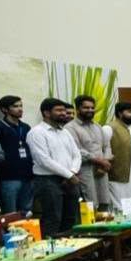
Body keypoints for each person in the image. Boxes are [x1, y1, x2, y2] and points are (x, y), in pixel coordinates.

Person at [27, 98, 82, 238]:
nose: (64, 113)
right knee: (53, 218)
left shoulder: (64, 132)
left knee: (71, 217)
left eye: (64, 110)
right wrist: (69, 175)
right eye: (59, 110)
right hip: (48, 181)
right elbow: (43, 160)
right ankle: (50, 249)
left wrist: (72, 172)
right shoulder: (36, 132)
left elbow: (77, 155)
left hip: (70, 180)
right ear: (46, 113)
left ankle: (69, 247)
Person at [65, 95, 112, 207]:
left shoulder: (97, 126)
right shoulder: (69, 128)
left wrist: (105, 162)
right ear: (77, 109)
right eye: (86, 108)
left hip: (101, 170)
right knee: (90, 203)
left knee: (104, 201)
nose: (90, 110)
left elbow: (106, 146)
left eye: (92, 108)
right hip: (84, 170)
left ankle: (103, 219)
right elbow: (76, 150)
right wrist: (99, 161)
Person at [0, 95, 34, 215]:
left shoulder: (25, 127)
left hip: (28, 175)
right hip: (8, 177)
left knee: (27, 211)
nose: (20, 109)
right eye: (15, 106)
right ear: (4, 109)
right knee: (11, 213)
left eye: (21, 106)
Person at [102, 101, 131, 213]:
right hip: (118, 175)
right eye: (130, 112)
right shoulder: (109, 128)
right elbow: (103, 151)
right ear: (120, 113)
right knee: (120, 207)